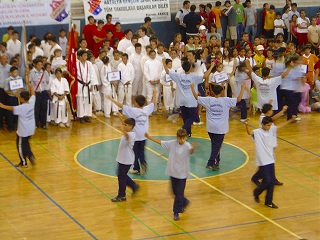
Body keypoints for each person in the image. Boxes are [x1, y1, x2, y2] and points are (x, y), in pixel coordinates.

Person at [190, 70, 246, 170]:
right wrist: (242, 89)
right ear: (221, 92)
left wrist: (192, 88)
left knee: (215, 144)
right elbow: (238, 100)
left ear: (212, 92)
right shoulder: (226, 101)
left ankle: (216, 162)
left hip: (211, 127)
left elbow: (196, 97)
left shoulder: (208, 99)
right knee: (217, 146)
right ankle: (210, 162)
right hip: (221, 128)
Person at [145, 128, 197, 221]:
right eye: (179, 138)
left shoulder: (187, 146)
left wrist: (193, 148)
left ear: (185, 138)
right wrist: (149, 137)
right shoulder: (172, 143)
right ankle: (184, 202)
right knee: (174, 192)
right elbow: (161, 142)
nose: (181, 140)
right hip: (173, 172)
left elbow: (190, 151)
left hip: (182, 174)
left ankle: (176, 211)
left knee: (179, 193)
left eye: (183, 138)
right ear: (177, 137)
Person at [245, 116, 295, 209]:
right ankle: (257, 192)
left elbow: (280, 126)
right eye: (268, 125)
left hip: (270, 158)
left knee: (271, 182)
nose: (269, 127)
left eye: (270, 125)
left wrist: (290, 120)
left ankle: (268, 201)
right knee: (267, 180)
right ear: (262, 124)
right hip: (263, 160)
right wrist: (246, 125)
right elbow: (249, 133)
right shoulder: (257, 132)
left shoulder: (271, 129)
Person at [108, 90, 156, 175]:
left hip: (136, 135)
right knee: (141, 151)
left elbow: (121, 106)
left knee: (134, 152)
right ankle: (143, 163)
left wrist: (111, 99)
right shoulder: (147, 109)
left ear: (136, 103)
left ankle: (136, 168)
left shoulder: (133, 111)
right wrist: (155, 93)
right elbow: (153, 102)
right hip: (144, 135)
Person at [162, 58, 203, 137]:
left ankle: (188, 133)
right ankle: (183, 129)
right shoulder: (194, 76)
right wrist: (211, 66)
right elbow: (204, 76)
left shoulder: (178, 76)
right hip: (191, 101)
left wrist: (163, 62)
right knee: (193, 117)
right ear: (190, 68)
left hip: (181, 100)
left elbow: (167, 72)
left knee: (185, 117)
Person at [0, 82, 36, 167]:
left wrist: (2, 105)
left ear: (23, 99)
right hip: (31, 129)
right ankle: (30, 155)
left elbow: (11, 108)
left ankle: (23, 162)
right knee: (26, 143)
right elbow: (33, 94)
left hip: (23, 131)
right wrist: (31, 86)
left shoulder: (21, 108)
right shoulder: (31, 102)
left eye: (20, 97)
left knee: (19, 145)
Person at [111, 116, 140, 202]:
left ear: (131, 126)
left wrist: (122, 129)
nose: (124, 126)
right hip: (122, 158)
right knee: (121, 175)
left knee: (121, 177)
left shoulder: (131, 135)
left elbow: (127, 136)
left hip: (126, 160)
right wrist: (120, 117)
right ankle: (133, 185)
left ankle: (122, 195)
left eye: (126, 125)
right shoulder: (129, 131)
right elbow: (125, 128)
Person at [76, 50, 98, 123]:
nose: (86, 57)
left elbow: (92, 74)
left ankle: (87, 115)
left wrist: (92, 85)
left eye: (86, 55)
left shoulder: (89, 64)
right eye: (84, 56)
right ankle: (80, 116)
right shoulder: (76, 64)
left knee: (88, 101)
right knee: (80, 100)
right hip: (80, 84)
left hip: (88, 84)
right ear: (80, 57)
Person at [29, 58, 51, 129]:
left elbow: (47, 81)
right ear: (35, 65)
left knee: (44, 108)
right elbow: (30, 83)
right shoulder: (32, 72)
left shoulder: (45, 72)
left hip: (43, 92)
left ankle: (43, 123)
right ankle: (36, 123)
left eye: (41, 65)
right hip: (36, 92)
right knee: (36, 108)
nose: (40, 66)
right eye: (38, 65)